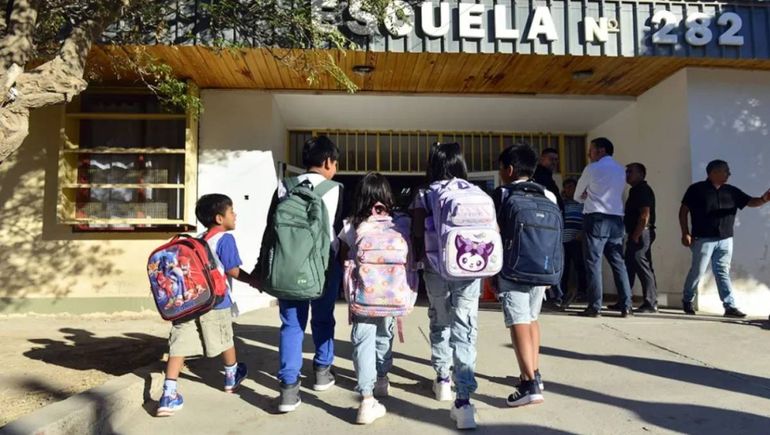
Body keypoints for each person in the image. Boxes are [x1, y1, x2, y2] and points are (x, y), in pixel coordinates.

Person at [157, 194, 252, 417]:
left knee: (179, 343)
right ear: (220, 218)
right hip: (216, 301)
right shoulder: (225, 239)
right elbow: (232, 270)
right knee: (225, 337)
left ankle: (168, 394)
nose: (235, 215)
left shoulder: (197, 240)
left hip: (190, 302)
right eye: (231, 211)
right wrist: (253, 280)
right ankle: (231, 377)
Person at [410, 142, 481, 430]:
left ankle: (442, 380)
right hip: (470, 267)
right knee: (465, 328)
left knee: (440, 321)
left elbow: (416, 232)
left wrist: (416, 263)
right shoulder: (475, 192)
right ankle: (464, 402)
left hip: (436, 266)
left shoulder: (425, 193)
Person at [273, 136, 344, 412]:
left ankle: (288, 391)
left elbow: (272, 231)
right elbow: (338, 232)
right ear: (327, 162)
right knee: (324, 318)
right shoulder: (336, 188)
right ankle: (322, 373)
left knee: (291, 325)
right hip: (324, 265)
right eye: (335, 163)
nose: (335, 168)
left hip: (288, 266)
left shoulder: (283, 186)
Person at [493, 144, 559, 407]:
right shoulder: (548, 195)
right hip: (543, 268)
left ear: (509, 170)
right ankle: (536, 373)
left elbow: (493, 230)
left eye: (501, 169)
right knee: (531, 319)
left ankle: (528, 383)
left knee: (517, 320)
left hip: (513, 268)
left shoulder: (502, 194)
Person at [338, 173, 400, 425]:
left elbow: (343, 258)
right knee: (385, 334)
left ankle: (366, 398)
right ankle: (382, 379)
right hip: (390, 293)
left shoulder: (351, 225)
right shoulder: (396, 224)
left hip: (362, 293)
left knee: (363, 339)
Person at [679, 160, 770, 317]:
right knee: (698, 271)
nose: (729, 174)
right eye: (725, 171)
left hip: (726, 239)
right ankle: (687, 299)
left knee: (722, 271)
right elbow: (683, 211)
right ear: (713, 172)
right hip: (703, 238)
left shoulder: (731, 191)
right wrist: (685, 233)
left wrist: (764, 199)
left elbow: (750, 202)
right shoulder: (696, 189)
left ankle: (729, 306)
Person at [574, 138, 633, 318]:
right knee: (618, 262)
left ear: (600, 151)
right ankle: (626, 305)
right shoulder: (621, 170)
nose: (589, 154)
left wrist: (587, 196)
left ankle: (595, 306)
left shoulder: (592, 168)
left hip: (596, 218)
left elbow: (577, 195)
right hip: (616, 219)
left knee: (593, 262)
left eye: (591, 150)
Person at [621, 163, 659, 313]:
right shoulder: (635, 190)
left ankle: (650, 302)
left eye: (630, 172)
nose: (627, 174)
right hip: (636, 232)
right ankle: (625, 300)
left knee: (643, 266)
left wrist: (636, 234)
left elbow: (645, 214)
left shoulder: (642, 190)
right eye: (626, 171)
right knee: (629, 266)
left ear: (641, 174)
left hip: (641, 233)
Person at [557, 178, 587, 309]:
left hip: (576, 238)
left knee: (580, 265)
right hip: (563, 240)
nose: (569, 190)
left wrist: (582, 232)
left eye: (572, 187)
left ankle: (583, 291)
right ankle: (562, 293)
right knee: (564, 268)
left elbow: (586, 219)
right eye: (567, 187)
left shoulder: (582, 203)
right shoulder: (563, 203)